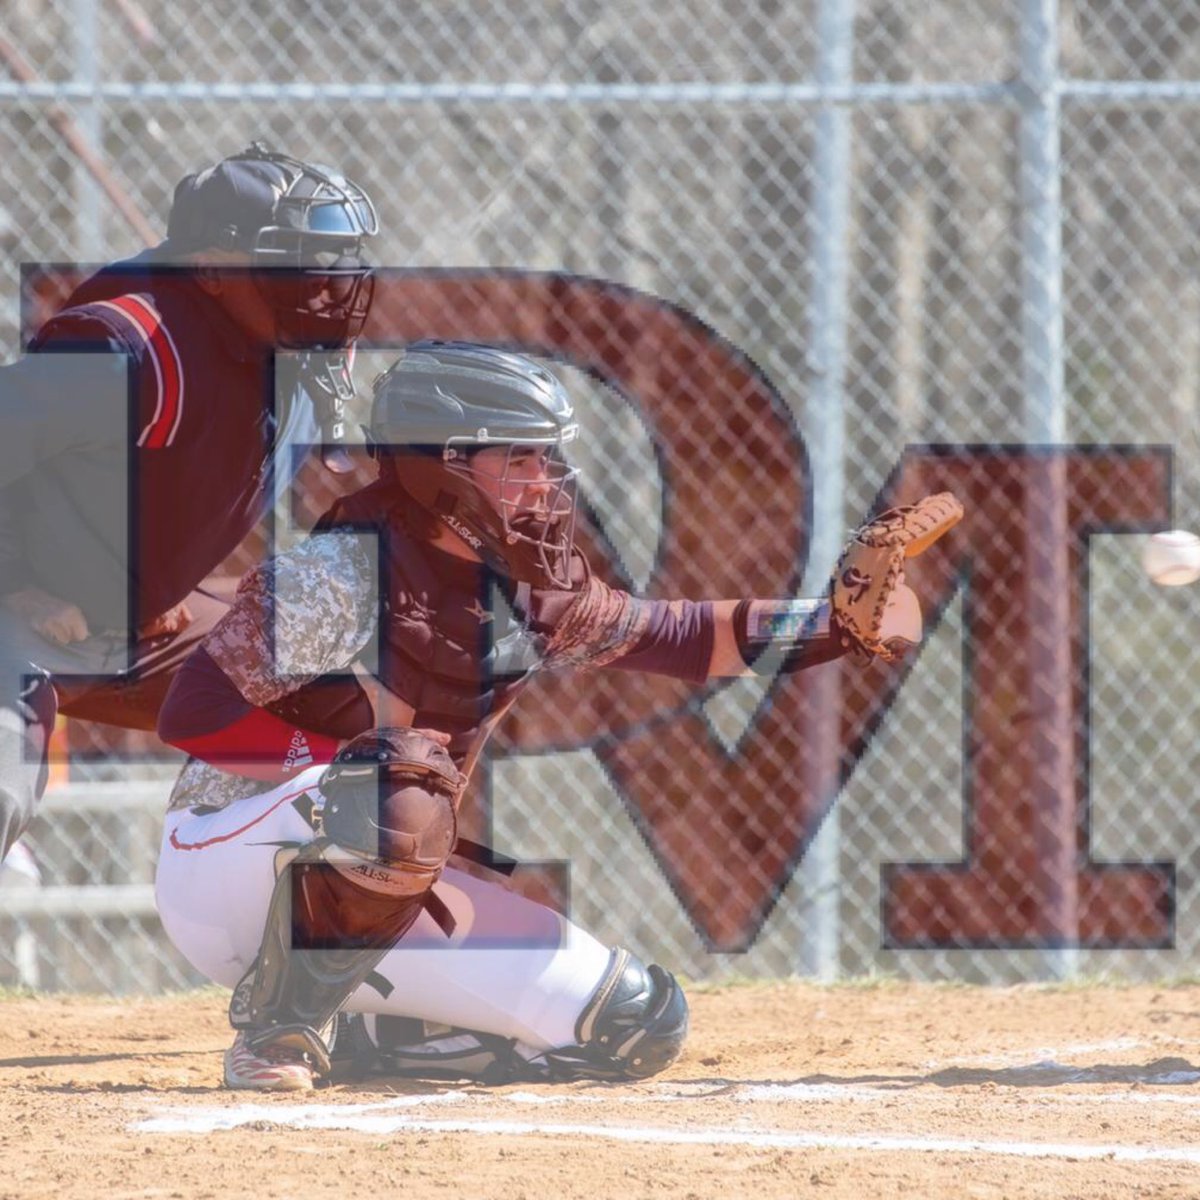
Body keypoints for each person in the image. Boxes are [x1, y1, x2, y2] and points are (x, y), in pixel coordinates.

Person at [153, 340, 946, 1092]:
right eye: (521, 458)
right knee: (399, 784)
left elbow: (676, 637)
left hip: (367, 874)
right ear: (445, 465)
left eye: (547, 457)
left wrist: (832, 626)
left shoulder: (531, 592)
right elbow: (193, 714)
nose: (546, 480)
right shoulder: (339, 571)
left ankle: (362, 1029)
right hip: (230, 861)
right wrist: (332, 765)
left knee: (635, 1022)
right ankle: (276, 1030)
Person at [0, 142, 378, 860]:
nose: (327, 286)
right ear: (210, 271)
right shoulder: (130, 351)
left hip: (138, 628)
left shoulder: (299, 357)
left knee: (369, 732)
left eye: (335, 263)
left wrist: (160, 581)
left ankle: (318, 948)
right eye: (296, 263)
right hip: (21, 610)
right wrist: (14, 581)